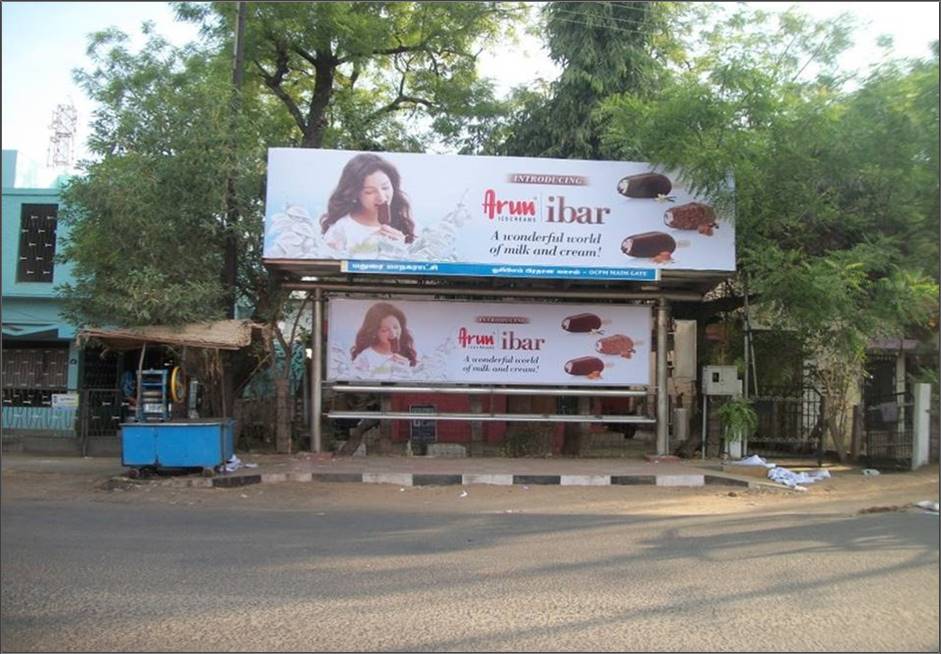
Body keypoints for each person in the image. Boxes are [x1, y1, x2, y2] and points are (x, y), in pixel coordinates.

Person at [321, 153, 417, 256]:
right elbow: (328, 261)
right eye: (369, 192)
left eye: (385, 188)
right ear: (355, 194)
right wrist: (368, 246)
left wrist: (403, 247)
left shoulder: (404, 221)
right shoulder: (341, 228)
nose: (381, 197)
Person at [350, 302, 418, 376]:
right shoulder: (365, 357)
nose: (393, 334)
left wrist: (407, 370)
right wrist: (382, 370)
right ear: (375, 332)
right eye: (385, 330)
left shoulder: (406, 353)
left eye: (396, 327)